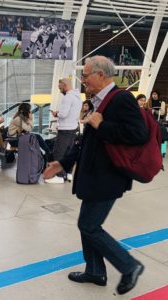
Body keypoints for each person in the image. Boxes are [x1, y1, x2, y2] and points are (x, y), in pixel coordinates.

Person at [44, 56, 148, 295]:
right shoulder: (100, 101)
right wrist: (62, 162)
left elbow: (138, 134)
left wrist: (103, 126)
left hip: (107, 177)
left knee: (89, 226)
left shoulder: (120, 99)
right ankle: (95, 271)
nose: (83, 80)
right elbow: (85, 143)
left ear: (101, 75)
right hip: (94, 176)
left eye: (86, 74)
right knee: (87, 225)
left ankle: (129, 265)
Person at [45, 78, 82, 184]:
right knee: (69, 153)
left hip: (65, 130)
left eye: (60, 88)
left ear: (65, 85)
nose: (60, 91)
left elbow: (63, 114)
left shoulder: (68, 98)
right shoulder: (77, 97)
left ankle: (59, 176)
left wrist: (57, 114)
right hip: (73, 129)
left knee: (58, 153)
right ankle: (69, 174)